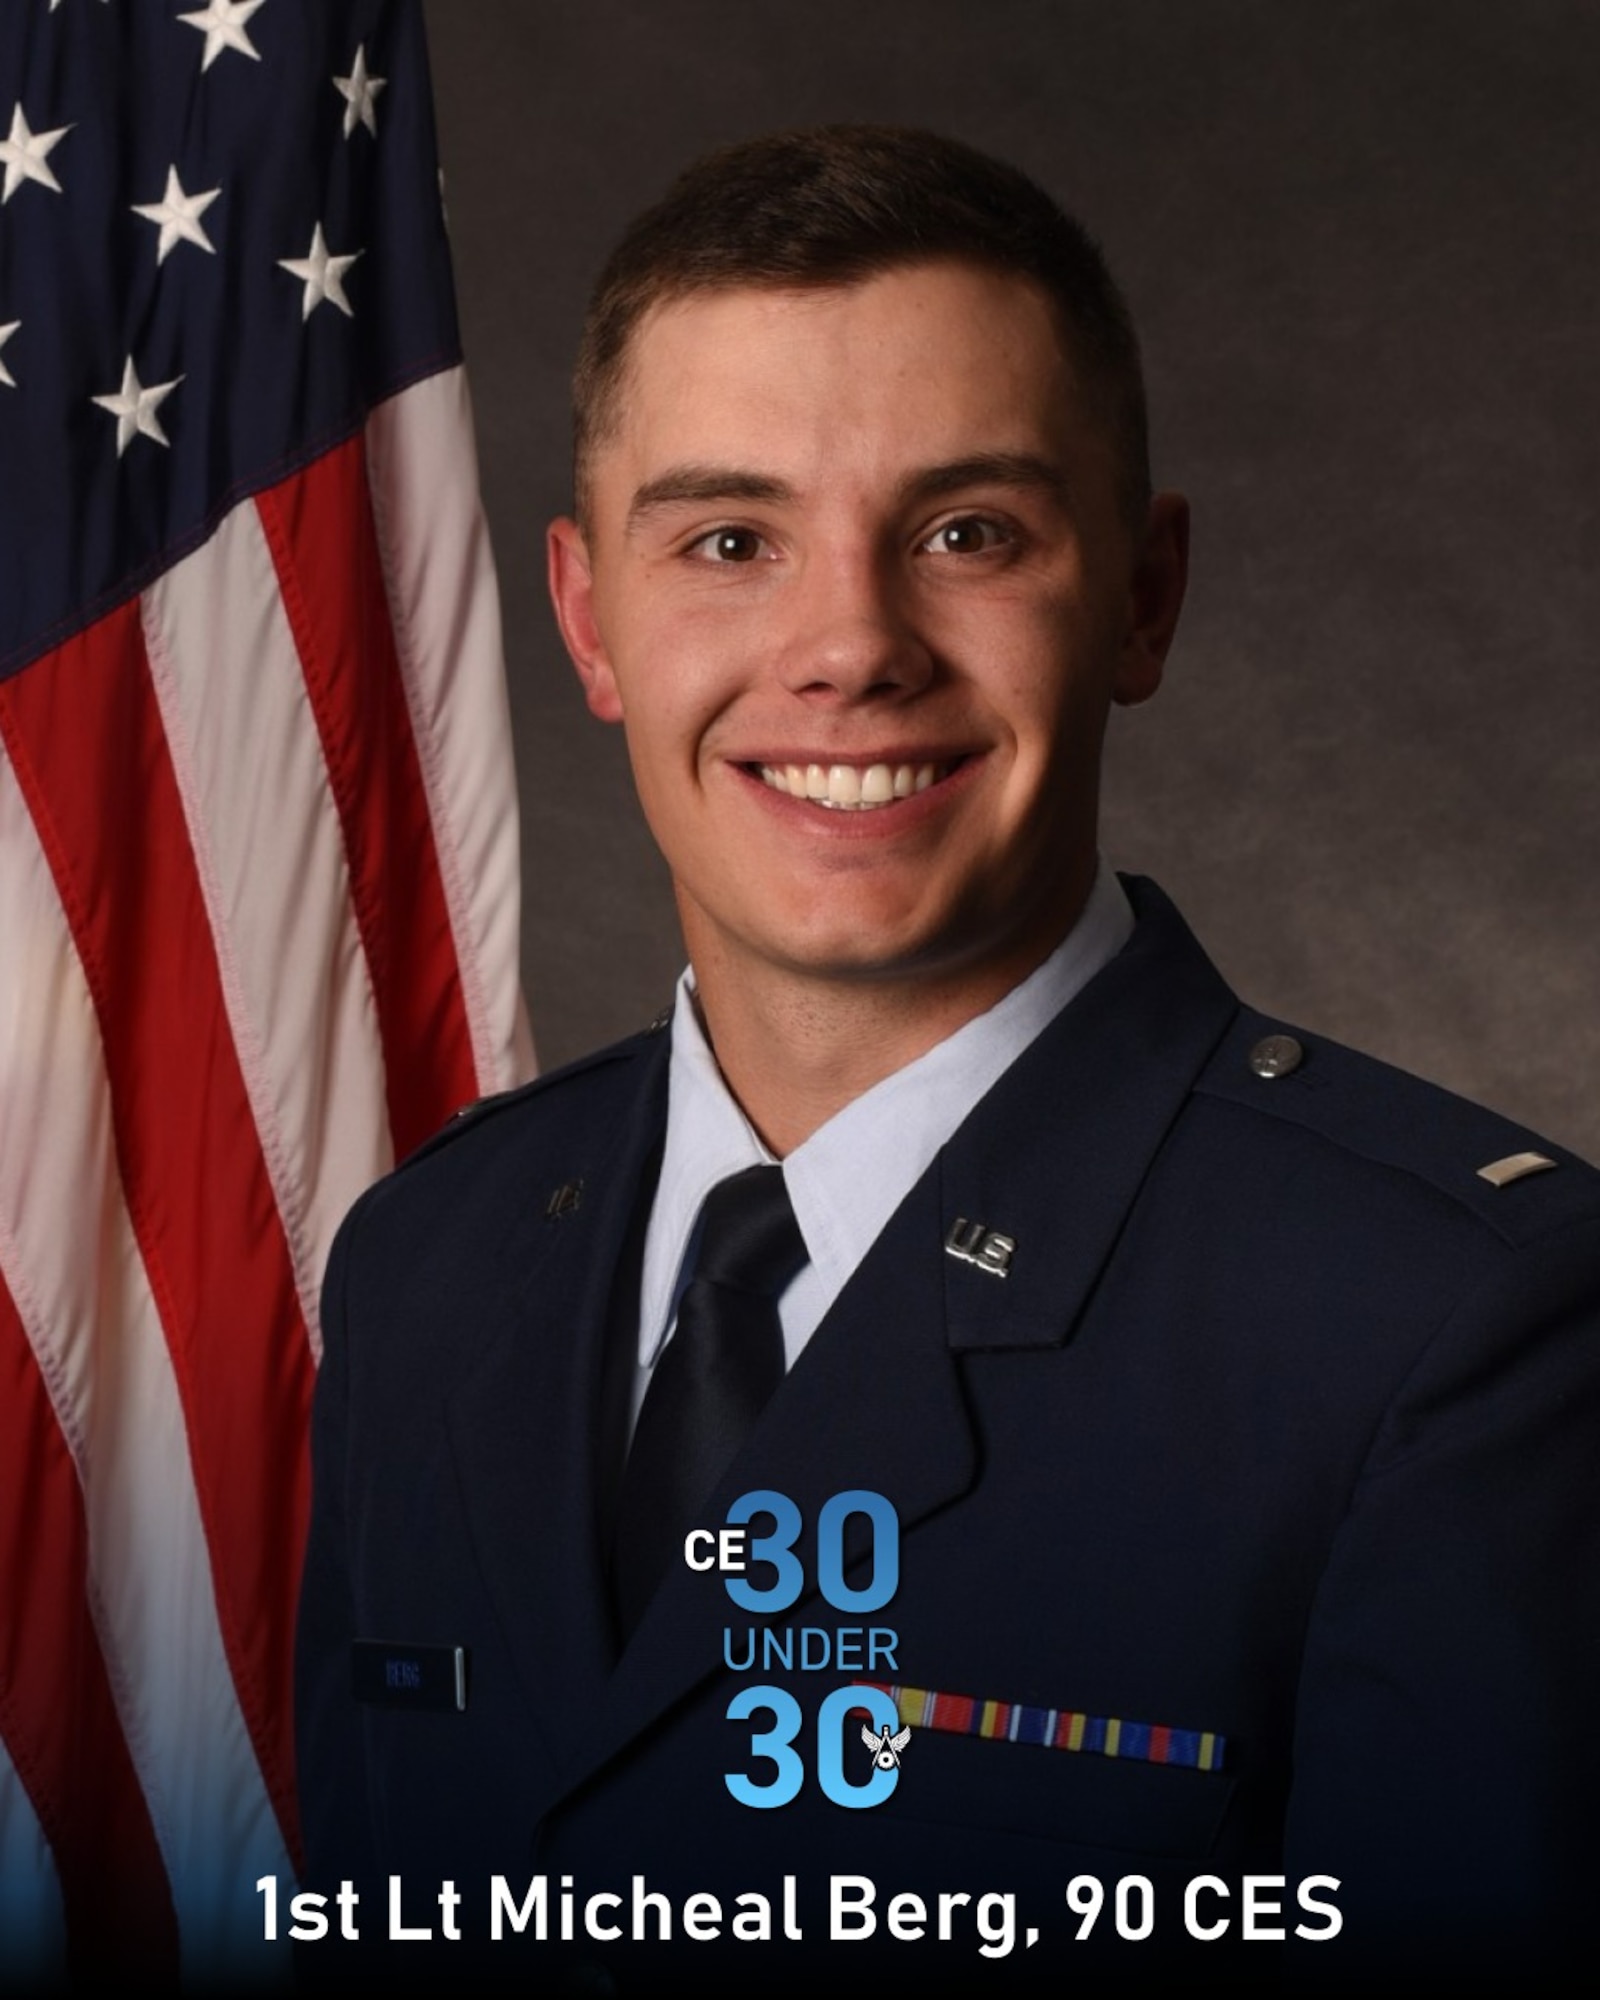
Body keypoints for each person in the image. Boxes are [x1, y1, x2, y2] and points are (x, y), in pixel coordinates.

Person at [295, 126, 1600, 1991]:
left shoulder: (1453, 1338)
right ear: (590, 619)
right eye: (730, 540)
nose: (847, 646)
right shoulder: (431, 1266)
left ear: (1142, 597)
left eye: (968, 533)